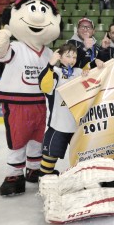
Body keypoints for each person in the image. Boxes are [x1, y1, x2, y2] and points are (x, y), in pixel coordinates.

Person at [0, 0, 61, 196]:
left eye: (45, 10)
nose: (39, 17)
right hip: (17, 101)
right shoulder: (16, 47)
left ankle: (34, 169)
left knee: (38, 138)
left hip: (41, 103)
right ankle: (14, 173)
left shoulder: (49, 51)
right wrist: (4, 33)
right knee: (18, 137)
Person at [38, 43, 86, 176]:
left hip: (77, 126)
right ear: (60, 57)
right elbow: (45, 87)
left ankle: (79, 180)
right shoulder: (55, 72)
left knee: (81, 158)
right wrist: (50, 65)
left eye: (74, 57)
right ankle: (44, 180)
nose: (71, 60)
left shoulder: (79, 72)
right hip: (58, 125)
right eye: (68, 56)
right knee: (50, 156)